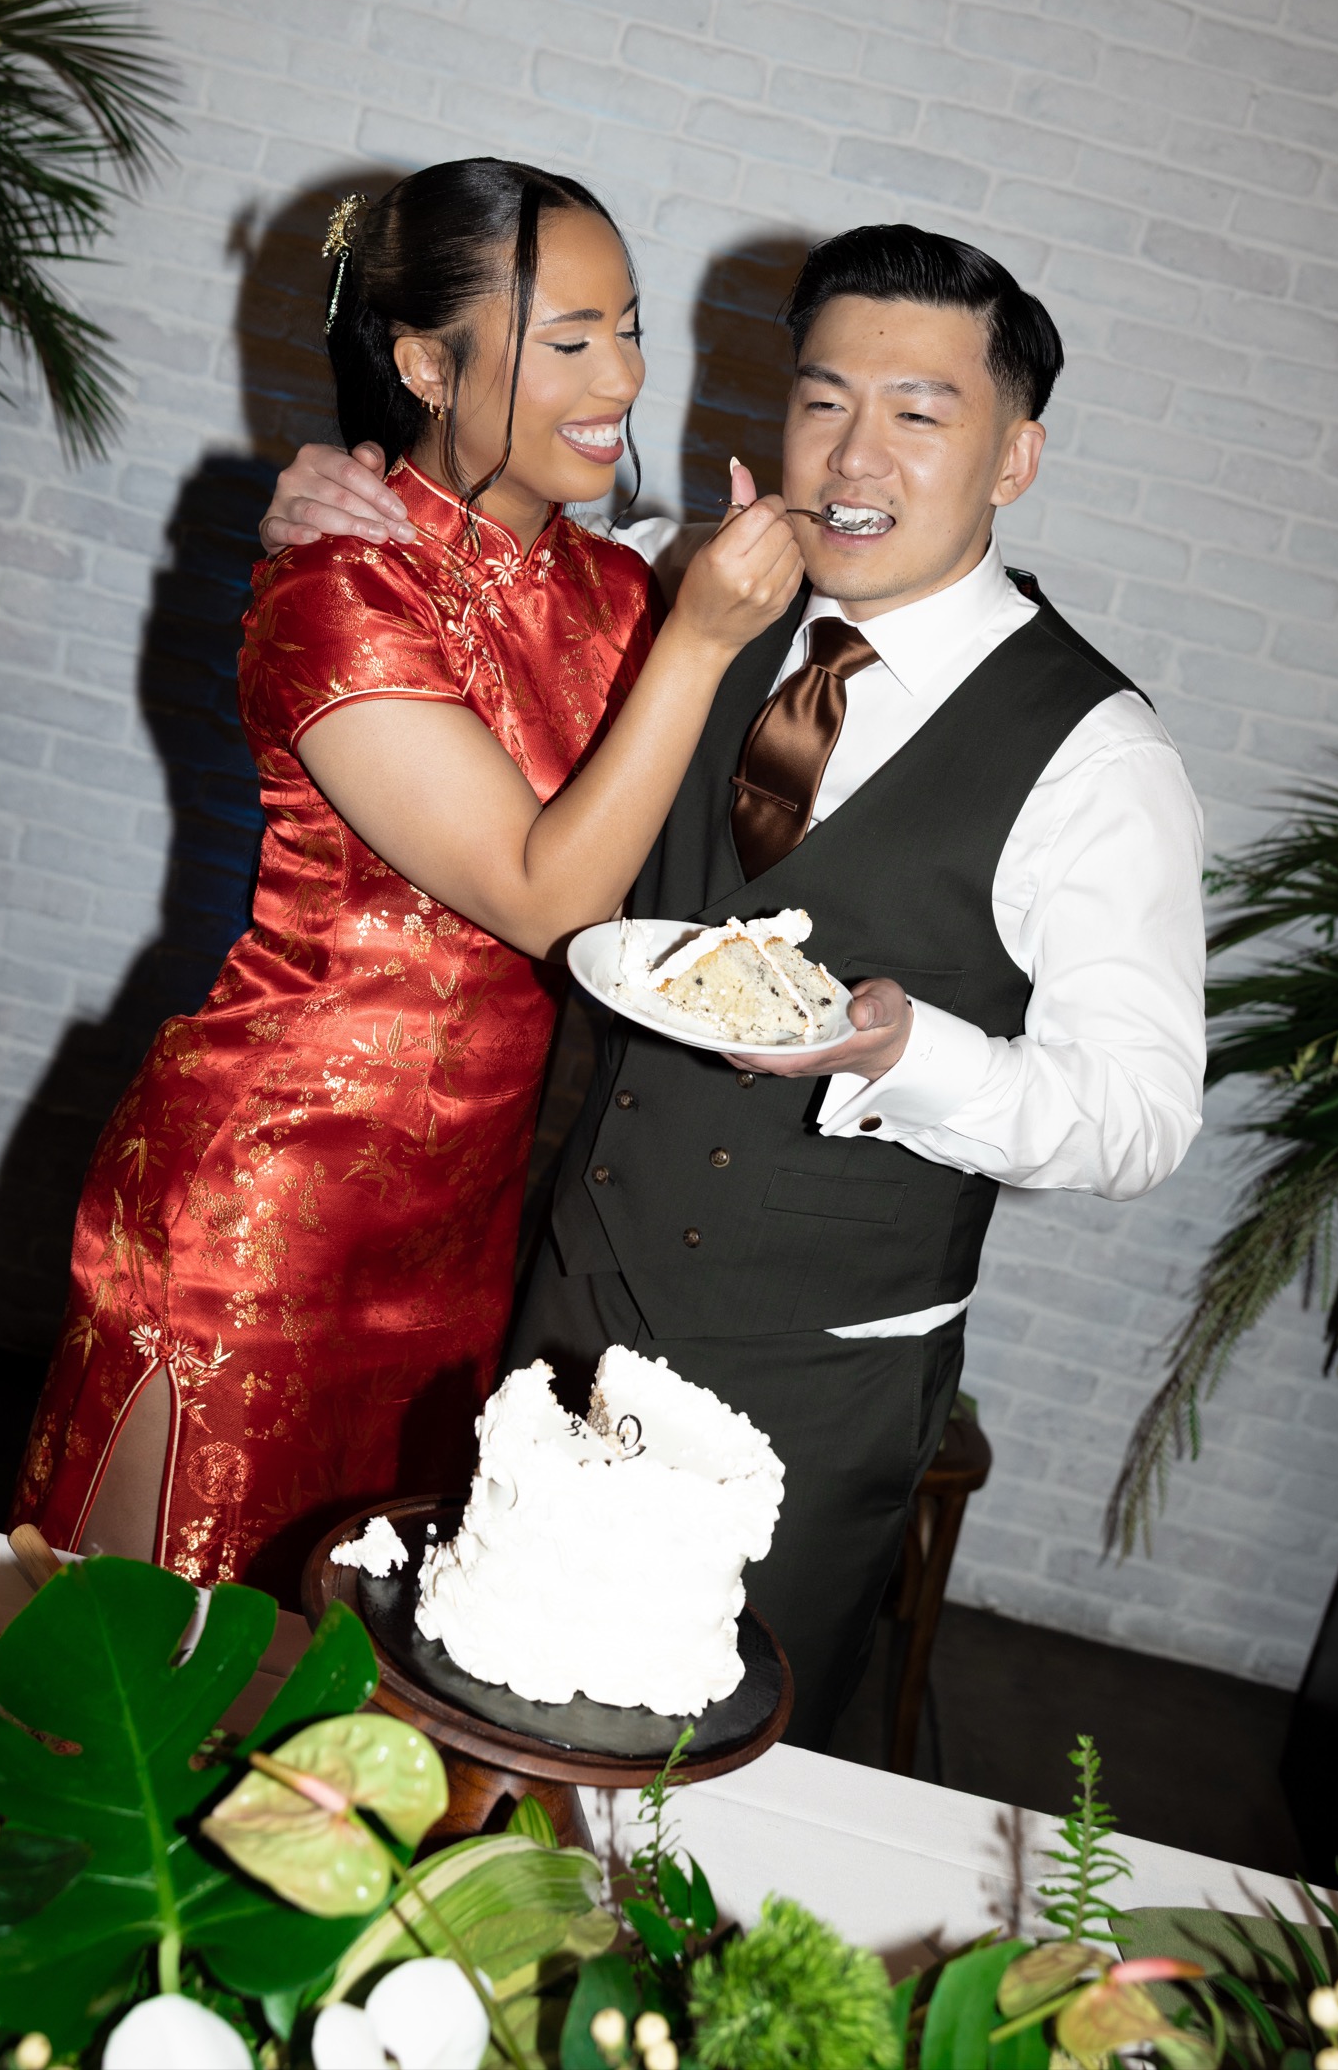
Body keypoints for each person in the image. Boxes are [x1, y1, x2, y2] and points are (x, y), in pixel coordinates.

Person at [258, 222, 1205, 1738]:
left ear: (1015, 460)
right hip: (567, 1312)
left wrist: (911, 1053)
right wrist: (319, 500)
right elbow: (450, 584)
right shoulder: (681, 595)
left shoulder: (1100, 759)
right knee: (482, 1717)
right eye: (825, 400)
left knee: (713, 1783)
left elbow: (1144, 1120)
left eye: (920, 414)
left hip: (812, 1390)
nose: (855, 457)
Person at [12, 158, 802, 1592]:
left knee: (342, 1717)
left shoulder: (612, 590)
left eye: (627, 325)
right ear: (429, 362)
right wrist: (701, 642)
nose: (621, 373)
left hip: (455, 1239)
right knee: (146, 1685)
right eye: (567, 340)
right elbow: (547, 897)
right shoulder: (335, 591)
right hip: (260, 1213)